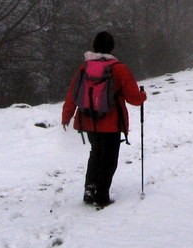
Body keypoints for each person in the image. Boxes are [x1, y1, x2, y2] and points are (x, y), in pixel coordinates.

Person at [62, 31, 147, 207]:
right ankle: (101, 195)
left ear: (94, 46)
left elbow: (73, 93)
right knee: (109, 159)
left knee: (96, 153)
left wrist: (67, 115)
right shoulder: (119, 68)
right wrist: (142, 96)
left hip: (88, 120)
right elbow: (133, 98)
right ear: (112, 47)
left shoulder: (84, 68)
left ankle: (90, 188)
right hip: (111, 123)